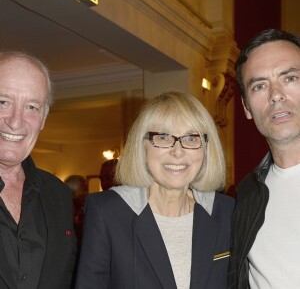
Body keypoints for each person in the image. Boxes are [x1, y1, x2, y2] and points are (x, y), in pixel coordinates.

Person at [75, 91, 235, 289]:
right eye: (164, 137)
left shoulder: (227, 212)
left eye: (192, 138)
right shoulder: (108, 212)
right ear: (142, 147)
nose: (178, 151)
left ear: (206, 149)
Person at [228, 29, 300, 288]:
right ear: (247, 108)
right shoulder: (248, 193)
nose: (276, 95)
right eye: (259, 86)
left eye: (290, 78)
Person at [0, 51, 76, 288]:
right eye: (3, 101)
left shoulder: (59, 194)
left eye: (32, 107)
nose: (15, 121)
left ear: (43, 119)